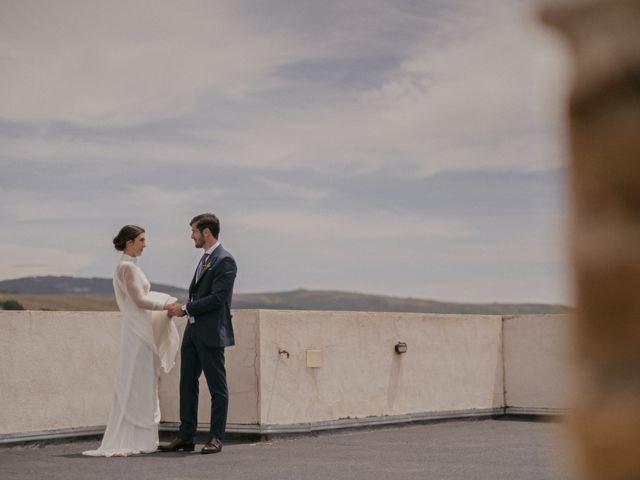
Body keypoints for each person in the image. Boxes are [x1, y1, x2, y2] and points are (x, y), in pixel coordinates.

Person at [83, 225, 179, 457]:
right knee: (139, 383)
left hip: (136, 329)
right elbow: (139, 300)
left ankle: (139, 435)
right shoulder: (127, 268)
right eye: (141, 240)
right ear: (129, 242)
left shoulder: (124, 267)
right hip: (138, 331)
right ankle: (137, 437)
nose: (145, 244)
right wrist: (166, 305)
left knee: (139, 382)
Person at [160, 213, 237, 455]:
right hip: (193, 332)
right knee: (187, 384)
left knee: (217, 387)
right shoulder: (206, 258)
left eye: (193, 231)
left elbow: (217, 299)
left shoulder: (225, 260)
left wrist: (185, 308)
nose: (191, 235)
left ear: (206, 232)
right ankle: (186, 436)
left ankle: (215, 438)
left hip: (212, 333)